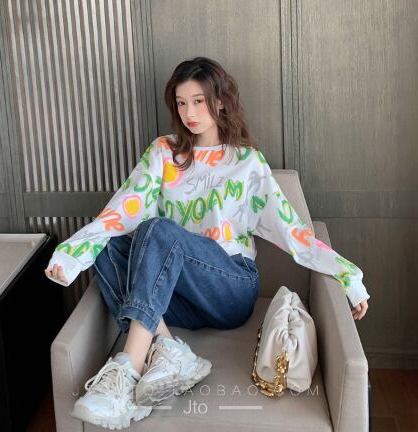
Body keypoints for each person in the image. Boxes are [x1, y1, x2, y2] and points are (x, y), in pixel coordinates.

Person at [44, 56, 369, 430]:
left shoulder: (247, 162)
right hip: (176, 297)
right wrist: (72, 254)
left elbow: (294, 232)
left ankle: (129, 367)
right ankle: (169, 348)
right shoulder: (164, 152)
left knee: (158, 230)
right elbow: (120, 211)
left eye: (198, 101)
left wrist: (348, 276)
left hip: (230, 288)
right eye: (181, 103)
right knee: (108, 244)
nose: (189, 113)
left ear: (221, 101)